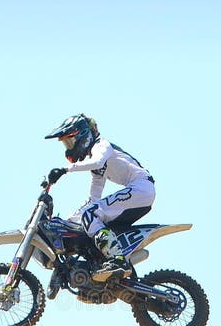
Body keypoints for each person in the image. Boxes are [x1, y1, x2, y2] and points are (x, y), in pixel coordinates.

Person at [45, 114, 155, 282]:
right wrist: (68, 222)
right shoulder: (96, 164)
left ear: (84, 135)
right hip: (140, 191)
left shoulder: (102, 146)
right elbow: (93, 199)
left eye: (70, 141)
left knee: (90, 214)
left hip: (141, 188)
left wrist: (65, 169)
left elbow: (97, 162)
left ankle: (117, 259)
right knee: (88, 214)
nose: (68, 147)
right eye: (66, 143)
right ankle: (105, 263)